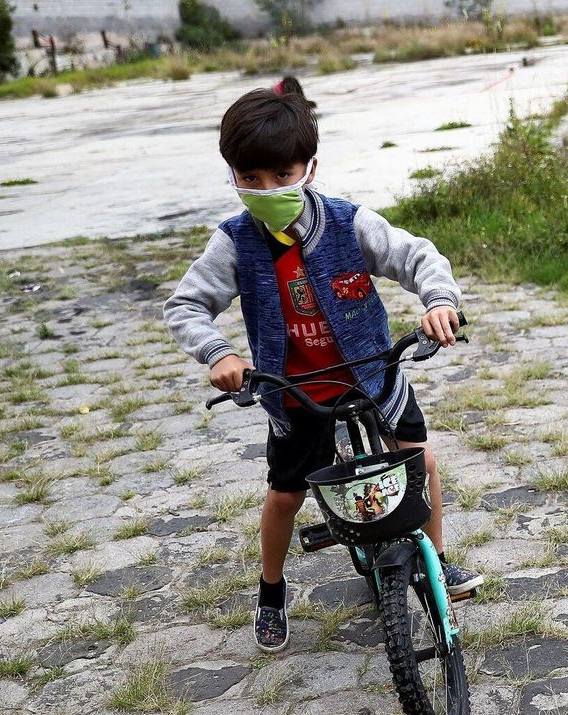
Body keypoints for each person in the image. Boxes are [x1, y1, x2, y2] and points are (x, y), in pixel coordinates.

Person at [163, 76, 483, 652]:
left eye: (282, 175)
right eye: (250, 178)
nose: (267, 188)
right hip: (294, 389)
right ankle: (270, 588)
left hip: (370, 374)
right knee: (285, 496)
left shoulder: (346, 223)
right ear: (233, 176)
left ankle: (434, 566)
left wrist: (439, 303)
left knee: (419, 463)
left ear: (309, 166)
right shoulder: (235, 242)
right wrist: (220, 354)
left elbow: (417, 256)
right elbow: (186, 304)